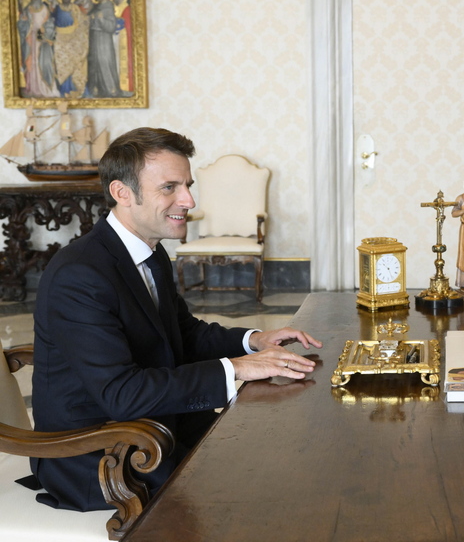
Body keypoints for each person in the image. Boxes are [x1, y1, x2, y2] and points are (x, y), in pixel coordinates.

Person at [30, 127, 323, 512]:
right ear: (122, 192)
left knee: (280, 451)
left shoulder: (151, 252)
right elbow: (121, 394)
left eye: (187, 185)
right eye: (170, 187)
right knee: (258, 490)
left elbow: (182, 334)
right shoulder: (79, 274)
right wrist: (237, 368)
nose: (188, 200)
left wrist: (253, 341)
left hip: (156, 429)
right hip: (100, 456)